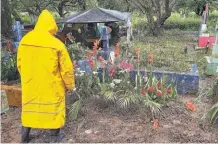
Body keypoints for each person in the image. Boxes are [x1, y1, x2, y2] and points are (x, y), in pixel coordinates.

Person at [17, 9, 75, 143]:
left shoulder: (25, 41)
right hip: (51, 86)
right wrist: (70, 85)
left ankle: (25, 137)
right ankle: (54, 136)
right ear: (51, 26)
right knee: (52, 110)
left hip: (31, 84)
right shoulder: (57, 44)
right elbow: (66, 69)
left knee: (29, 109)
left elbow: (19, 64)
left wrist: (26, 77)